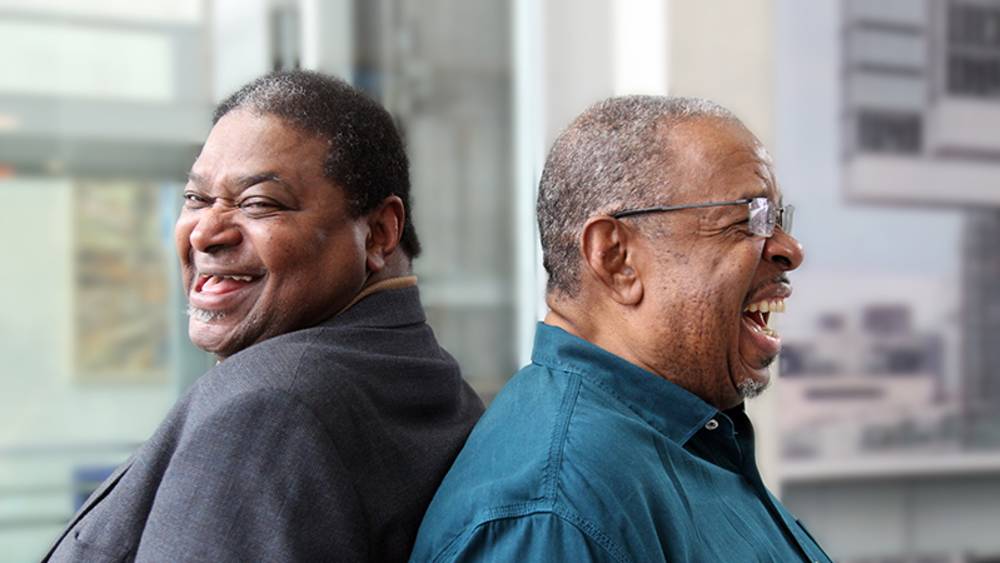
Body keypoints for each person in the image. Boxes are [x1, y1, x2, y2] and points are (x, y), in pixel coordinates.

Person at [44, 70, 484, 563]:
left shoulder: (269, 412)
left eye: (258, 203)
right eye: (196, 198)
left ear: (379, 233)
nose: (204, 232)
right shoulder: (427, 374)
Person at [410, 96, 832, 562]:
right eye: (749, 219)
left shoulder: (686, 439)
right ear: (616, 258)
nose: (790, 250)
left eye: (777, 218)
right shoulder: (554, 515)